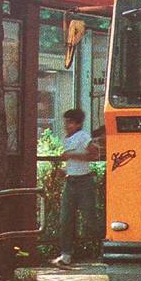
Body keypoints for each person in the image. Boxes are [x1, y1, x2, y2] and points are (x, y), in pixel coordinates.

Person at [51, 108, 100, 268]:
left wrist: (72, 156)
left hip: (84, 182)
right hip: (70, 181)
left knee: (90, 220)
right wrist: (64, 171)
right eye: (66, 122)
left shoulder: (83, 137)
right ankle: (66, 254)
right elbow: (73, 162)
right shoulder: (67, 138)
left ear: (78, 123)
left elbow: (95, 154)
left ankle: (104, 250)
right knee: (66, 219)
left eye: (70, 122)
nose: (67, 125)